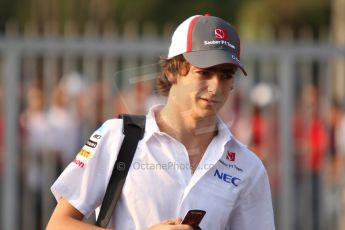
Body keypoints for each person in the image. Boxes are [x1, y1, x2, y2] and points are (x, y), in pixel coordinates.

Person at [47, 14, 275, 230]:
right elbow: (58, 224)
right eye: (204, 72)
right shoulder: (117, 137)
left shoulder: (248, 166)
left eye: (226, 75)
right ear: (172, 71)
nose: (215, 87)